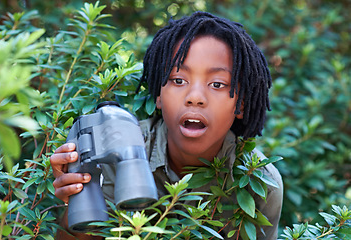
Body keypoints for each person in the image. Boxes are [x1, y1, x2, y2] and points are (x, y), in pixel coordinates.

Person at [51, 11, 283, 240]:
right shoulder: (119, 148)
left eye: (217, 84)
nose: (195, 97)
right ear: (159, 95)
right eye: (178, 80)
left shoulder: (261, 183)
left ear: (240, 103)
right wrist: (76, 196)